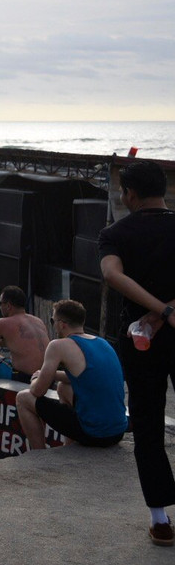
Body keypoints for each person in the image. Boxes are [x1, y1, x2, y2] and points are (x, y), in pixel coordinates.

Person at [98, 159, 175, 546]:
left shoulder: (116, 233)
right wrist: (168, 311)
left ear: (129, 194)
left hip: (140, 341)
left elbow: (113, 275)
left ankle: (161, 521)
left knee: (147, 425)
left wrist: (159, 313)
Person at [15, 299, 126, 452]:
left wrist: (35, 378)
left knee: (23, 398)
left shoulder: (57, 346)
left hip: (94, 434)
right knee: (64, 387)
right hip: (117, 432)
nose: (53, 325)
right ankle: (69, 445)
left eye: (53, 320)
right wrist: (53, 375)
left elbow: (37, 391)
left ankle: (37, 454)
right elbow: (84, 376)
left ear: (61, 324)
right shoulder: (103, 343)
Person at [0, 285, 49, 383]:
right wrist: (2, 342)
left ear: (8, 306)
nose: (0, 307)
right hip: (46, 377)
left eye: (0, 303)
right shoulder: (38, 321)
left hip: (25, 378)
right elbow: (25, 345)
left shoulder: (2, 323)